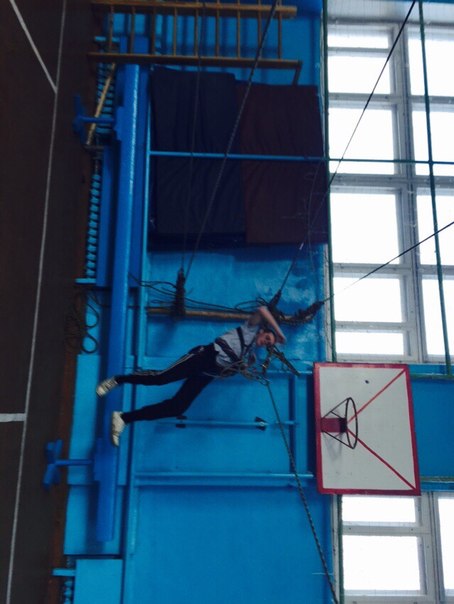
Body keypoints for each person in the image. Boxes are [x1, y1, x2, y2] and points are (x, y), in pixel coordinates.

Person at [96, 306, 286, 446]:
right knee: (160, 378)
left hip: (208, 373)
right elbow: (262, 310)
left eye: (268, 344)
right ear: (262, 331)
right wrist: (279, 333)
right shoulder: (249, 329)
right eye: (267, 338)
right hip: (203, 357)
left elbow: (230, 371)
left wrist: (242, 367)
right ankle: (117, 380)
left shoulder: (249, 355)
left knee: (177, 407)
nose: (266, 343)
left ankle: (124, 418)